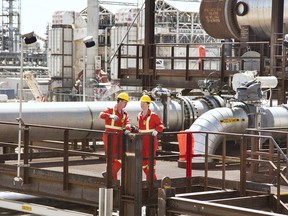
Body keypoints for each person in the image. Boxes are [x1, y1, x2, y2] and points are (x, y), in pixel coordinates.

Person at [99, 92, 131, 180]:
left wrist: (128, 128)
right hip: (109, 136)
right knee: (110, 159)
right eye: (125, 102)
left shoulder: (124, 113)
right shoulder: (110, 110)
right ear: (120, 101)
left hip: (119, 137)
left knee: (120, 158)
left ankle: (109, 174)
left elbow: (127, 122)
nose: (126, 104)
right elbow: (101, 115)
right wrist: (110, 116)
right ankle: (113, 180)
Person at [137, 95, 164, 180]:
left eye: (144, 104)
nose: (142, 105)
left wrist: (156, 130)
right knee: (143, 161)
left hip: (151, 140)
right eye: (141, 104)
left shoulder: (153, 115)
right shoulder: (139, 115)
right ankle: (151, 179)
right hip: (142, 141)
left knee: (151, 161)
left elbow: (161, 125)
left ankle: (152, 180)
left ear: (148, 104)